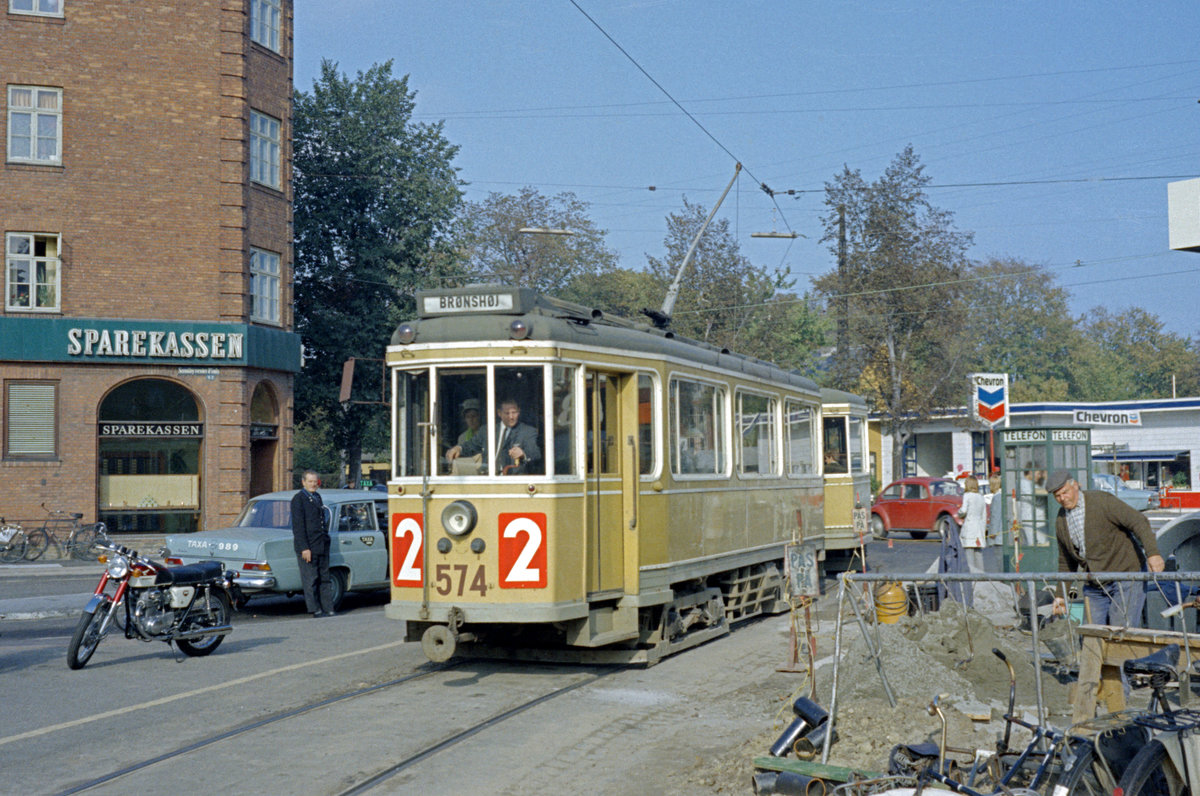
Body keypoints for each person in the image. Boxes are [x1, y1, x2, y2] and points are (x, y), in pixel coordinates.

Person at [1047, 470, 1164, 627]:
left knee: (1120, 631)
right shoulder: (1061, 520)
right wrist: (1061, 595)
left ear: (1075, 485)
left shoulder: (1101, 501)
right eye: (1057, 496)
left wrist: (1153, 554)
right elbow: (1066, 561)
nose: (1062, 498)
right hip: (1095, 583)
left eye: (1065, 492)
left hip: (1126, 576)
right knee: (1091, 635)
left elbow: (1139, 521)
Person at [446, 398, 541, 474]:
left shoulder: (528, 431)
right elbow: (470, 445)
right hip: (487, 480)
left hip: (513, 482)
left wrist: (523, 454)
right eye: (507, 413)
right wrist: (458, 449)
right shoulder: (486, 430)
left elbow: (535, 453)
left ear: (519, 412)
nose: (511, 417)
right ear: (499, 413)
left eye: (514, 412)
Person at [292, 470, 334, 618]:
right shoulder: (299, 499)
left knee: (325, 577)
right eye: (310, 481)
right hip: (308, 546)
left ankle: (328, 607)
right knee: (311, 579)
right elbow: (298, 526)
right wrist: (304, 548)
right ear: (303, 482)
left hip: (321, 543)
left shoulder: (317, 496)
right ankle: (314, 609)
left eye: (315, 482)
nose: (313, 484)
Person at [957, 476, 988, 572]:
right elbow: (984, 515)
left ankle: (971, 578)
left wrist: (959, 513)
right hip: (979, 529)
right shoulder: (981, 497)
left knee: (969, 555)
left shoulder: (967, 495)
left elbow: (963, 511)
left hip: (969, 528)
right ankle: (981, 577)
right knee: (978, 555)